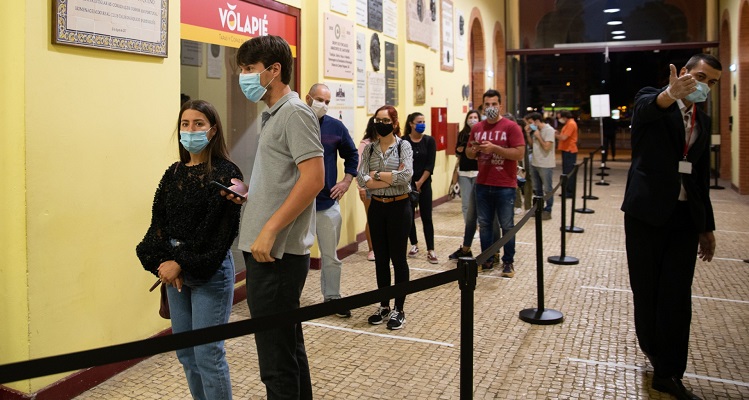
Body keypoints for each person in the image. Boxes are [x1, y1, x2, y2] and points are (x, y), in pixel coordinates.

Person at [227, 35, 324, 400]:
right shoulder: (274, 114)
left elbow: (314, 178)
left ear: (274, 70)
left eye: (249, 69)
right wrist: (253, 195)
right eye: (242, 70)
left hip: (276, 254)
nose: (244, 77)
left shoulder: (295, 112)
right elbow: (286, 179)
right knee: (288, 350)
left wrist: (269, 228)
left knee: (276, 364)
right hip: (267, 250)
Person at [621, 53, 720, 400]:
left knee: (677, 296)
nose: (704, 86)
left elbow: (701, 178)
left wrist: (705, 226)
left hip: (683, 219)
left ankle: (669, 371)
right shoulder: (652, 98)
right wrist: (670, 94)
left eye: (711, 82)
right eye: (701, 76)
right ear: (685, 72)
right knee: (646, 290)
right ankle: (652, 348)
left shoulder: (702, 122)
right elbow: (647, 109)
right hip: (645, 214)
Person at [136, 99, 242, 400]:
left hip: (210, 274)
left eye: (198, 124)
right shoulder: (173, 174)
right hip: (175, 276)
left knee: (208, 355)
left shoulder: (227, 173)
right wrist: (163, 263)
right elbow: (158, 226)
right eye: (185, 124)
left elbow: (217, 235)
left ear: (213, 131)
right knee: (186, 355)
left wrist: (179, 263)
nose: (191, 129)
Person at [357, 105, 413, 330]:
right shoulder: (370, 149)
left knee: (398, 259)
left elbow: (406, 175)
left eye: (385, 120)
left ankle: (399, 308)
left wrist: (377, 176)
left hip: (399, 207)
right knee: (381, 259)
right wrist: (390, 177)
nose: (381, 124)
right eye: (377, 120)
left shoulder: (403, 146)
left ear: (395, 123)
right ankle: (384, 305)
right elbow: (361, 179)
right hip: (377, 207)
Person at [306, 83, 359, 318]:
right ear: (308, 98)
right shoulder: (296, 122)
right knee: (296, 256)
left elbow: (352, 154)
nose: (323, 105)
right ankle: (288, 301)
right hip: (298, 205)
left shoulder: (335, 127)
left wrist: (347, 181)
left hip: (327, 203)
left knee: (330, 256)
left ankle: (332, 297)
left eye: (327, 102)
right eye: (319, 99)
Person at [465, 89, 525, 277]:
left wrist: (495, 149)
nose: (490, 108)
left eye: (494, 104)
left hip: (505, 184)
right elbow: (468, 153)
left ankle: (508, 262)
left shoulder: (511, 127)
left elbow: (519, 153)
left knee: (507, 224)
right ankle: (487, 258)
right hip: (483, 183)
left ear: (500, 105)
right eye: (487, 105)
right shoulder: (477, 128)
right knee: (484, 224)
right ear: (483, 106)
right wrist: (474, 150)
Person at [403, 112, 438, 264]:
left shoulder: (429, 141)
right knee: (409, 216)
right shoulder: (403, 141)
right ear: (411, 123)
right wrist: (411, 184)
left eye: (424, 121)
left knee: (427, 217)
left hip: (424, 184)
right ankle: (414, 244)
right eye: (419, 121)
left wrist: (419, 183)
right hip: (407, 184)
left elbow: (430, 165)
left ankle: (431, 249)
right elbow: (402, 164)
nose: (422, 124)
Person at [448, 110, 480, 260]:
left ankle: (479, 227)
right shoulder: (462, 134)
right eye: (470, 117)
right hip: (464, 172)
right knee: (466, 204)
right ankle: (470, 228)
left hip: (479, 172)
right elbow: (457, 151)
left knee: (479, 204)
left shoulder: (482, 133)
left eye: (475, 117)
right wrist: (460, 149)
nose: (472, 120)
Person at [524, 112, 556, 220]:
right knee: (537, 188)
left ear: (537, 121)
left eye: (530, 123)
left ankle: (548, 210)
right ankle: (539, 208)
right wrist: (529, 134)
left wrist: (539, 136)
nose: (529, 125)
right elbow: (532, 145)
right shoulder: (535, 131)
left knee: (547, 188)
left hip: (545, 164)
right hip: (535, 163)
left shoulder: (549, 130)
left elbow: (547, 147)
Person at [357, 116, 378, 262]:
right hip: (369, 186)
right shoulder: (365, 144)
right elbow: (360, 167)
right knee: (372, 218)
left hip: (386, 186)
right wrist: (361, 187)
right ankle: (372, 249)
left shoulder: (391, 142)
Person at [555, 110, 578, 198]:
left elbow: (564, 137)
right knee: (566, 171)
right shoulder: (568, 123)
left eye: (559, 117)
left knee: (569, 171)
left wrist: (554, 135)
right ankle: (566, 190)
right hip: (566, 149)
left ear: (564, 117)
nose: (559, 119)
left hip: (569, 150)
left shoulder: (571, 124)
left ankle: (569, 191)